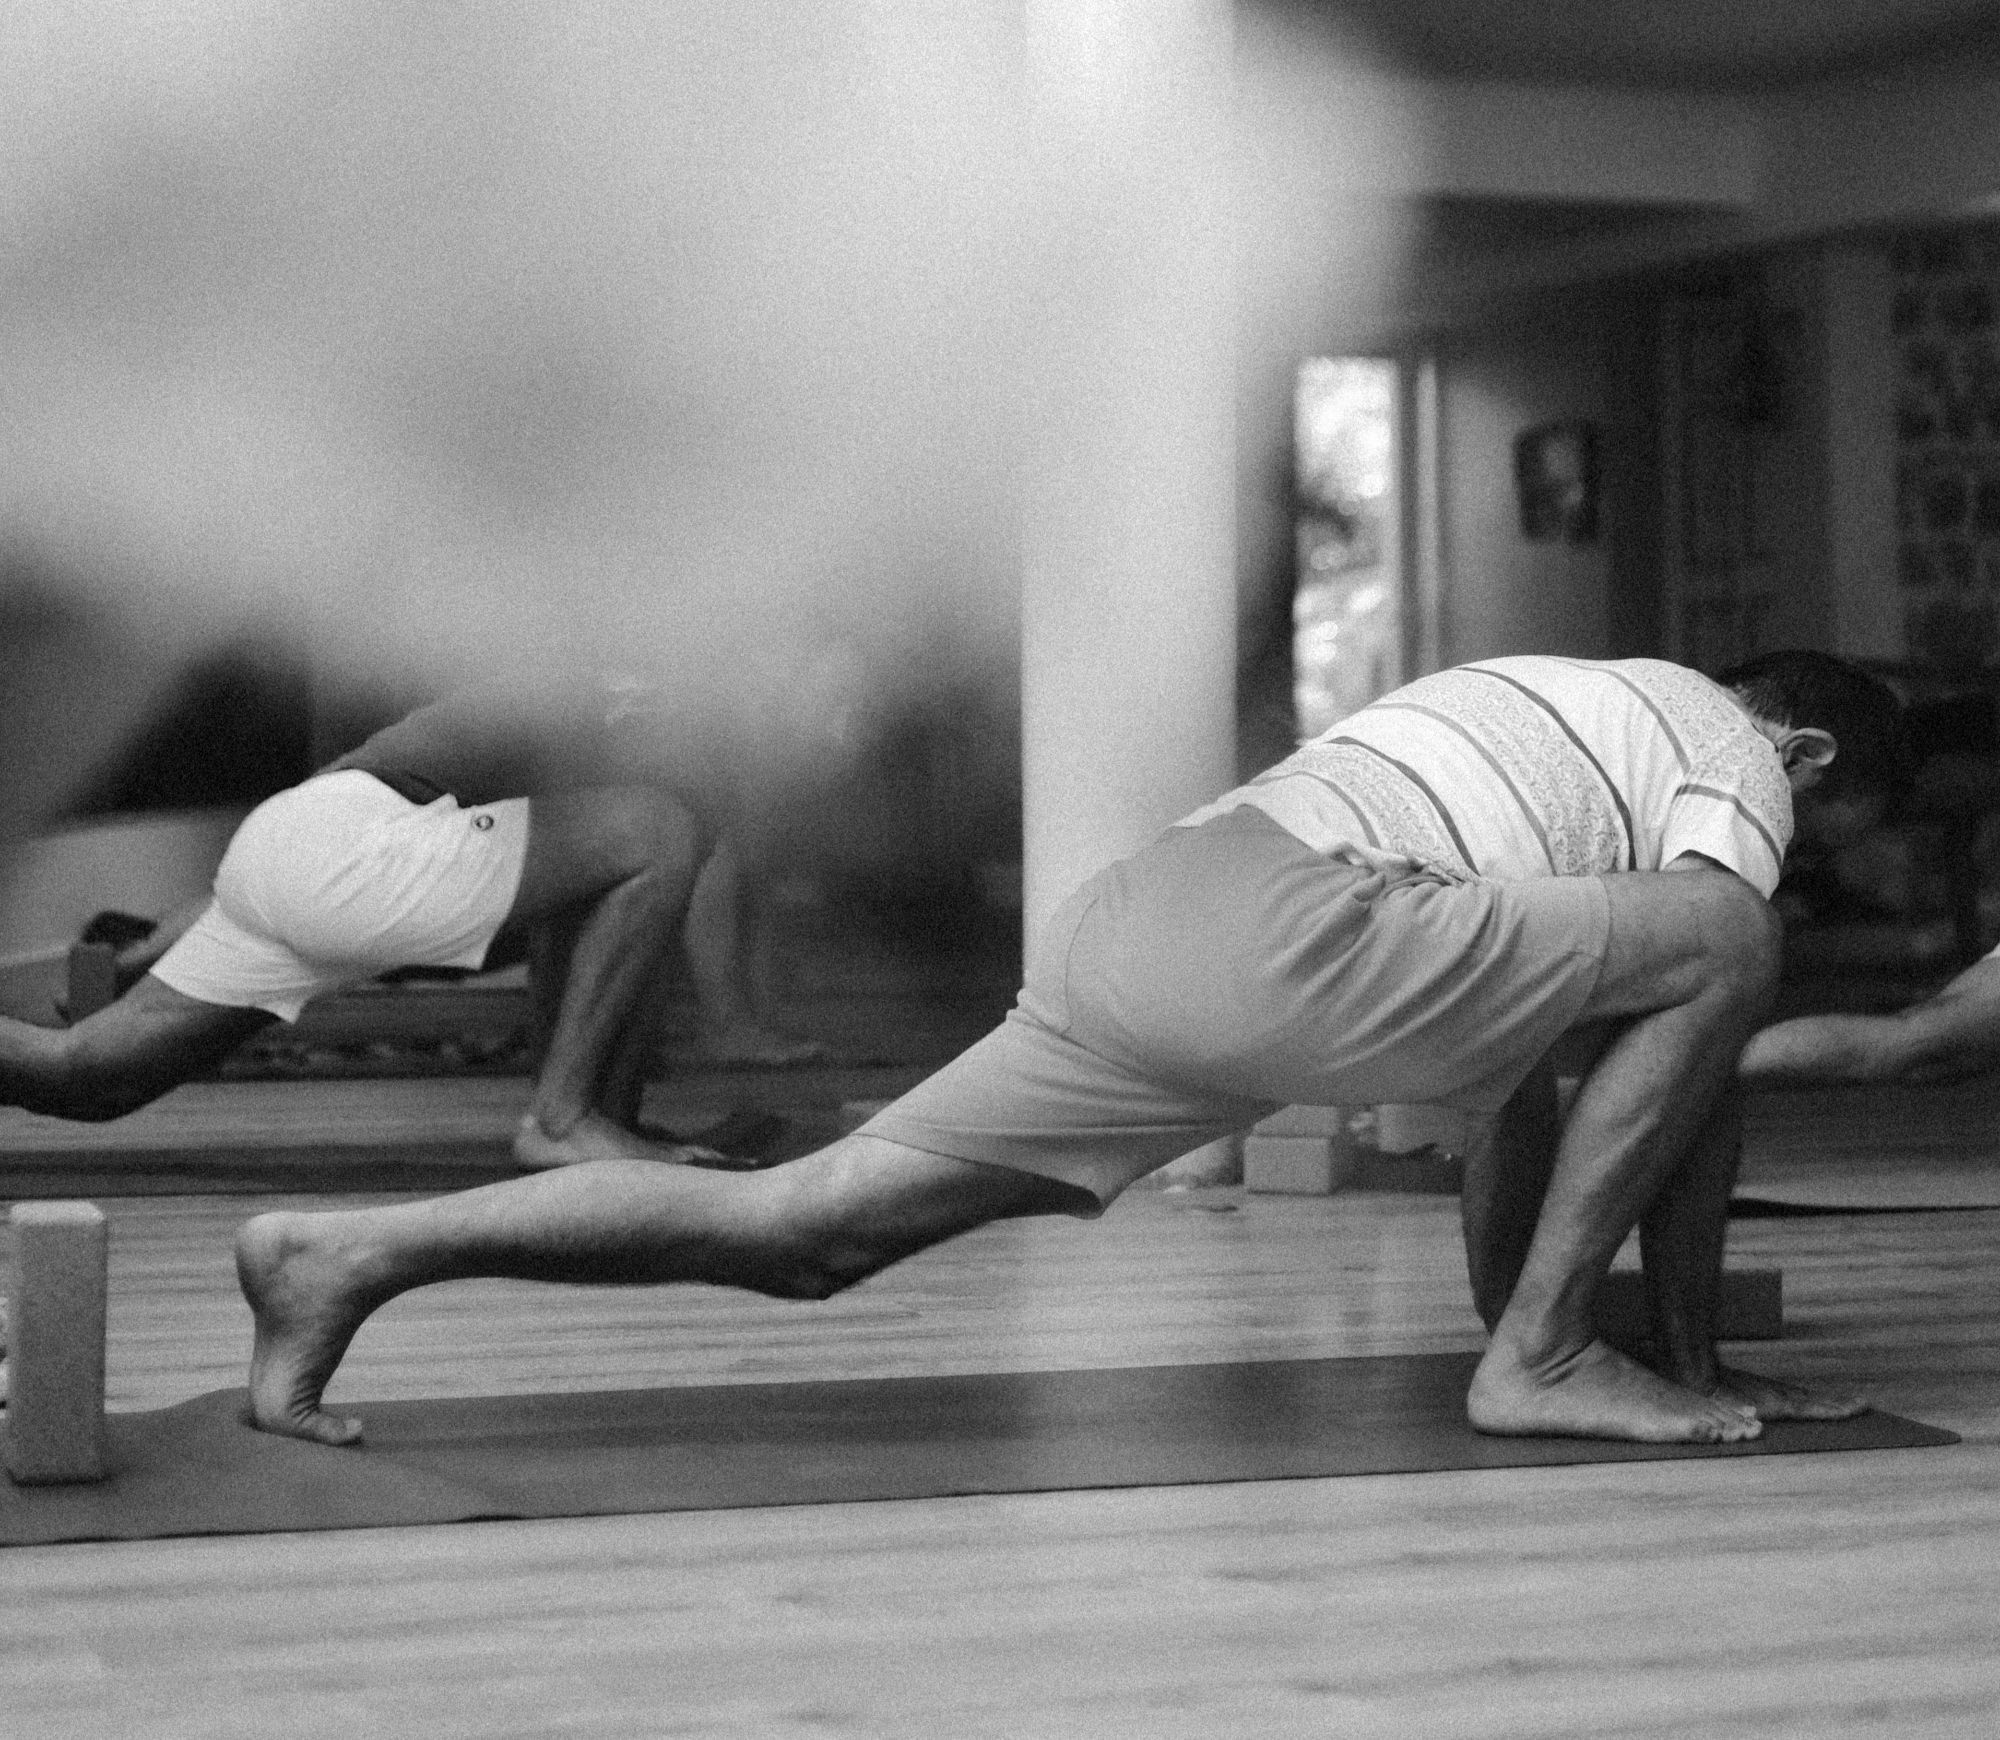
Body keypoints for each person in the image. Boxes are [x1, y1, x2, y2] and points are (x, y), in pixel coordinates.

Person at [235, 651, 1905, 1451]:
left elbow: (1534, 1092)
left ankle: (343, 1258)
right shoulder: (1731, 746)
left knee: (803, 1226)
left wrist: (1667, 1357)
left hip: (1149, 916)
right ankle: (1547, 1363)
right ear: (1813, 751)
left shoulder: (1564, 737)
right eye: (1827, 819)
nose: (1802, 848)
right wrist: (1576, 1347)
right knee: (1727, 946)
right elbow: (1715, 987)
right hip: (1294, 930)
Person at [0, 679, 795, 1170]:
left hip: (296, 844)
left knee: (89, 1079)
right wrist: (579, 1116)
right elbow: (638, 868)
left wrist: (143, 953)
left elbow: (586, 915)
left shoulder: (619, 703)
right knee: (658, 830)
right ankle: (568, 1121)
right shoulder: (628, 698)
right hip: (357, 846)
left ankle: (584, 1120)